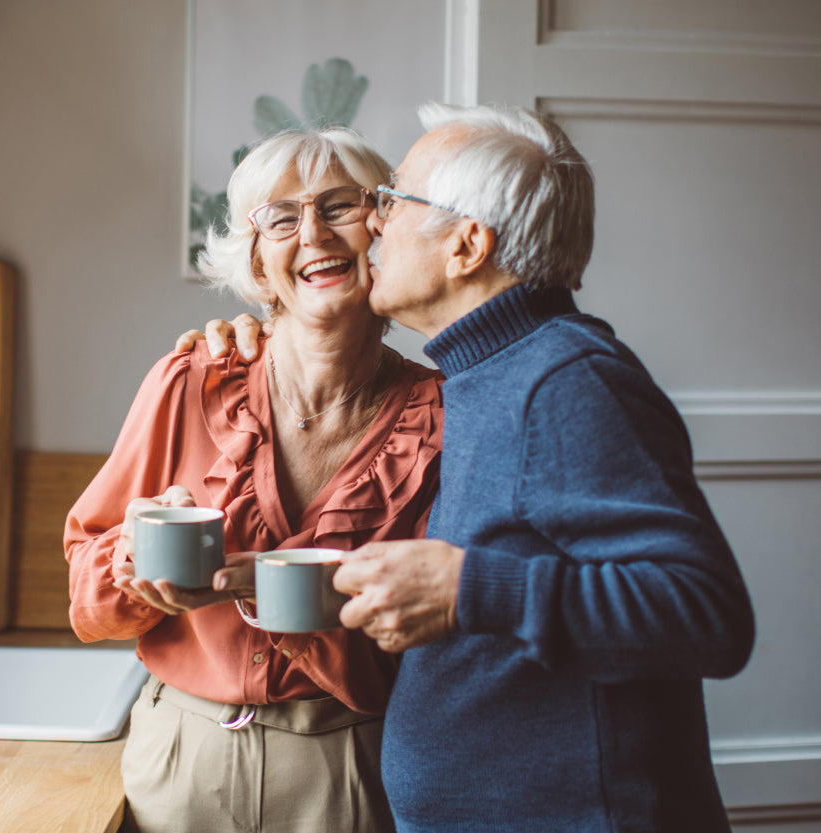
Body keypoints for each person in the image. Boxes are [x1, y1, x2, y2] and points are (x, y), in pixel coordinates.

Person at [186, 102, 756, 833]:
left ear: (467, 246)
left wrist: (464, 589)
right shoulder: (488, 374)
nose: (375, 222)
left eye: (393, 200)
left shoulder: (567, 382)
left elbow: (708, 613)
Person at [65, 126, 444, 833]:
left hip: (354, 766)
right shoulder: (188, 380)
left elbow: (445, 642)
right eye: (281, 217)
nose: (313, 233)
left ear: (382, 231)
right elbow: (84, 593)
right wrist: (131, 565)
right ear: (259, 262)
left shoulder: (444, 417)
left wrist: (320, 605)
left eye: (338, 206)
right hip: (182, 759)